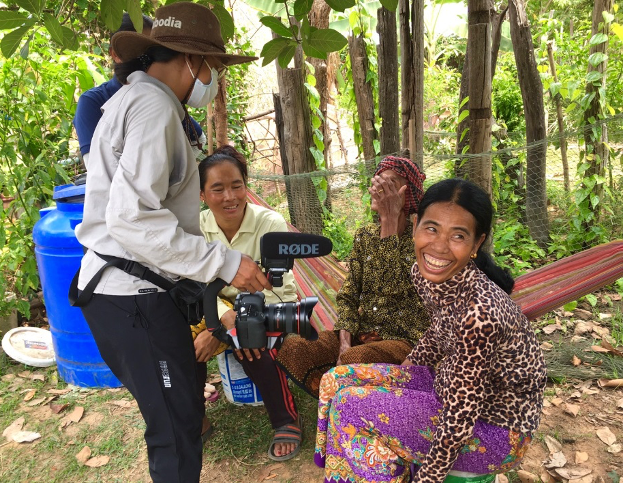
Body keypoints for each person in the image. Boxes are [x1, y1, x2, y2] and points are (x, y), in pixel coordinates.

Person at [73, 3, 268, 482]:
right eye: (215, 68)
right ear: (191, 61)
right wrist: (223, 262)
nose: (213, 79)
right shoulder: (156, 105)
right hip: (130, 296)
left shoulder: (132, 102)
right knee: (176, 431)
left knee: (178, 415)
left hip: (128, 292)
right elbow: (131, 215)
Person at [314, 178, 547, 482]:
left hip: (495, 430)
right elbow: (438, 331)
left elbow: (461, 419)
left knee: (351, 406)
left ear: (476, 244)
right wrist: (406, 371)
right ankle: (341, 463)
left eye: (458, 235)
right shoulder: (425, 274)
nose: (438, 246)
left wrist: (429, 477)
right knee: (335, 380)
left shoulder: (479, 315)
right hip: (447, 387)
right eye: (432, 228)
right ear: (415, 227)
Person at [276, 155, 431, 397]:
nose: (378, 189)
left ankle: (357, 399)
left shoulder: (422, 241)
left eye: (389, 184)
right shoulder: (364, 236)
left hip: (404, 341)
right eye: (377, 182)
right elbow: (349, 295)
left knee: (356, 358)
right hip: (362, 333)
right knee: (296, 348)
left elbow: (388, 285)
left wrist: (390, 220)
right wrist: (344, 340)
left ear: (407, 193)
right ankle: (339, 399)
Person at [193, 145, 303, 460]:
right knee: (182, 343)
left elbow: (276, 287)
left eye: (236, 185)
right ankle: (195, 418)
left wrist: (227, 324)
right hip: (213, 312)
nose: (229, 196)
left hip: (273, 306)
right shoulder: (196, 229)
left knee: (250, 342)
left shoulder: (270, 224)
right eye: (217, 188)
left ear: (246, 186)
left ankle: (286, 419)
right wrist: (218, 324)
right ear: (202, 194)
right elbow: (195, 287)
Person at [72, 12, 205, 165]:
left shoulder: (161, 96)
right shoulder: (93, 102)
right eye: (138, 49)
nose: (146, 57)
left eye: (152, 50)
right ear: (115, 54)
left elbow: (198, 139)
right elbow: (96, 167)